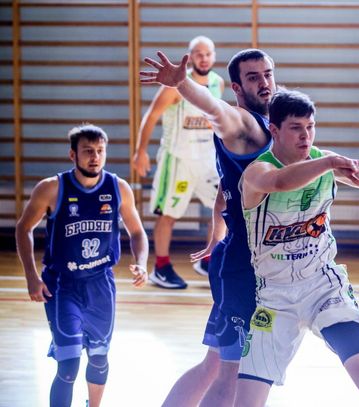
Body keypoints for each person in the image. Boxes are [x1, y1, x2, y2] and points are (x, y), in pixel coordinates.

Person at [235, 89, 359, 407]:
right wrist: (329, 162)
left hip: (324, 287)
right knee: (247, 401)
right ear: (274, 130)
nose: (305, 135)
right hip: (275, 297)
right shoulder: (258, 172)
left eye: (310, 126)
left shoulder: (322, 162)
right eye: (296, 128)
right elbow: (280, 183)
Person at [141, 48, 275, 406]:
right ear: (237, 87)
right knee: (232, 371)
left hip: (242, 260)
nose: (264, 82)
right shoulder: (243, 123)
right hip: (244, 268)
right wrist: (183, 84)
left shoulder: (268, 125)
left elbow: (224, 192)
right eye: (253, 77)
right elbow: (216, 110)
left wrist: (216, 237)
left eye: (267, 74)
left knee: (213, 365)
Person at [15, 124, 149, 407]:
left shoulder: (118, 188)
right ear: (72, 154)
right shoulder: (51, 188)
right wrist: (31, 276)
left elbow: (137, 232)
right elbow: (23, 228)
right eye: (88, 151)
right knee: (68, 364)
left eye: (100, 151)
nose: (95, 157)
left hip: (101, 284)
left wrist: (141, 263)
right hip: (62, 285)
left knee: (99, 359)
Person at [133, 36, 224, 288]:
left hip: (207, 159)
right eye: (198, 54)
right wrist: (140, 151)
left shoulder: (218, 83)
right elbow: (151, 116)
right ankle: (161, 267)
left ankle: (208, 259)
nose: (203, 58)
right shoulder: (174, 85)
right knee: (169, 214)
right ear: (190, 56)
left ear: (214, 56)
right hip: (178, 159)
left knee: (222, 209)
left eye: (208, 53)